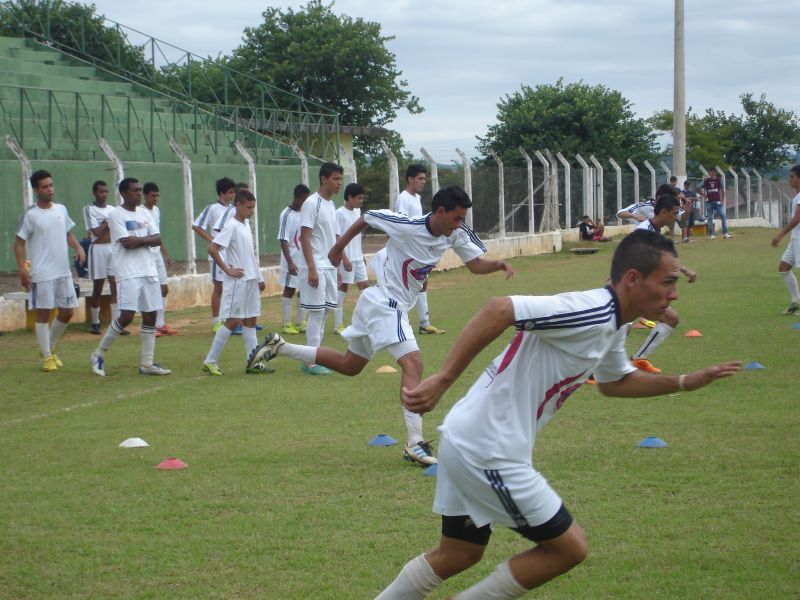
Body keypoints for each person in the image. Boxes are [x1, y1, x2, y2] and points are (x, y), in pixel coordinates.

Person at [373, 230, 742, 600]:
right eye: (667, 282)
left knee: (459, 554)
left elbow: (616, 381)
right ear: (633, 279)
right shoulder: (591, 309)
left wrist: (683, 382)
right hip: (488, 449)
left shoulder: (614, 322)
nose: (674, 294)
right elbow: (499, 309)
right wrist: (444, 378)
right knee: (570, 548)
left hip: (463, 437)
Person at [248, 185, 515, 465]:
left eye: (462, 219)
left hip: (375, 302)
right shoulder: (407, 225)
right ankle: (415, 443)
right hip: (386, 304)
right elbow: (368, 217)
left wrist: (496, 264)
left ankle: (281, 347)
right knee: (414, 365)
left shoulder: (455, 233)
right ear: (440, 212)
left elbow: (474, 264)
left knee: (350, 365)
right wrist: (339, 247)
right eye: (457, 218)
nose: (460, 224)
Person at [89, 178, 171, 377]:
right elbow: (126, 242)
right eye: (135, 191)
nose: (139, 193)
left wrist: (141, 240)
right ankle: (98, 354)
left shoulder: (145, 213)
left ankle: (147, 363)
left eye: (140, 190)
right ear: (124, 193)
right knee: (126, 316)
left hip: (148, 270)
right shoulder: (115, 215)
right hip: (128, 272)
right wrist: (146, 240)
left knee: (151, 315)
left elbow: (158, 239)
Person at [14, 169, 86, 372]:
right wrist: (22, 270)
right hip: (42, 273)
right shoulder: (30, 214)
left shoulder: (61, 209)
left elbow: (68, 233)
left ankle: (50, 347)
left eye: (51, 185)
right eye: (45, 186)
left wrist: (78, 247)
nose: (50, 189)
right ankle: (47, 356)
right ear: (36, 190)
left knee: (67, 311)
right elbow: (18, 244)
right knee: (44, 313)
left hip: (63, 271)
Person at [202, 189, 270, 375]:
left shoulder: (246, 225)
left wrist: (259, 278)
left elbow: (249, 254)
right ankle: (210, 360)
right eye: (249, 207)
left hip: (250, 280)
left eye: (253, 207)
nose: (251, 211)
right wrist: (227, 270)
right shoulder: (231, 225)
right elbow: (213, 248)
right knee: (233, 320)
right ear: (238, 205)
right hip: (238, 281)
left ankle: (253, 361)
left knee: (250, 320)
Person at [629, 194, 697, 373]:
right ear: (664, 212)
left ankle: (638, 358)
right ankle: (590, 369)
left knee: (670, 319)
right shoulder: (644, 230)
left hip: (640, 288)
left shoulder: (654, 230)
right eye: (675, 213)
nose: (676, 217)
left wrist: (683, 270)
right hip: (630, 287)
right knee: (614, 328)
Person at [294, 162, 344, 375]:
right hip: (314, 267)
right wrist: (312, 268)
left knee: (323, 313)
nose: (339, 183)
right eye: (336, 179)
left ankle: (314, 357)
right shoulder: (311, 203)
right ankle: (310, 361)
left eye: (341, 179)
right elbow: (304, 236)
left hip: (328, 267)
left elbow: (332, 239)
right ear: (324, 179)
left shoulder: (331, 206)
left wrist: (337, 267)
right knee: (315, 314)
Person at [396, 164, 445, 335]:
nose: (423, 182)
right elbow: (402, 225)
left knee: (423, 282)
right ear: (410, 179)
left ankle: (424, 323)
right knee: (407, 287)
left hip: (418, 249)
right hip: (407, 251)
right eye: (420, 178)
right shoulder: (403, 198)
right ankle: (403, 322)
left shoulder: (416, 198)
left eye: (425, 178)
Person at [191, 176, 236, 331]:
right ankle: (216, 321)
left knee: (231, 287)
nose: (233, 195)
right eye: (230, 192)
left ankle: (230, 318)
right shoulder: (212, 208)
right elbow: (196, 226)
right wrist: (213, 240)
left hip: (231, 253)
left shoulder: (233, 209)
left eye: (233, 192)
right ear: (222, 193)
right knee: (220, 287)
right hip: (217, 254)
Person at [83, 180, 120, 335]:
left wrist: (106, 223)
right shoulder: (89, 209)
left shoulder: (113, 209)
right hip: (97, 249)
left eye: (106, 192)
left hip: (112, 248)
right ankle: (95, 322)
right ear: (95, 193)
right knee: (98, 287)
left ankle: (116, 323)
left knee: (115, 285)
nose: (104, 194)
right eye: (101, 192)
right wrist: (106, 223)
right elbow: (96, 233)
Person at [142, 182, 178, 337]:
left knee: (164, 288)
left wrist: (166, 255)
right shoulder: (140, 212)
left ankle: (160, 323)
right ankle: (150, 326)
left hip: (157, 255)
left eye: (157, 196)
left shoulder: (156, 211)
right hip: (146, 256)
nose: (155, 199)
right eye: (152, 196)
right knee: (150, 291)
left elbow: (157, 235)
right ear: (145, 196)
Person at [333, 182, 370, 334]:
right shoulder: (339, 213)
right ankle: (337, 324)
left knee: (365, 287)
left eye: (362, 198)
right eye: (358, 198)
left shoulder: (358, 211)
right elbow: (337, 237)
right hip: (346, 258)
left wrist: (361, 255)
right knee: (343, 288)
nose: (361, 201)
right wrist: (344, 258)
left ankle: (366, 321)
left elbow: (357, 236)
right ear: (349, 197)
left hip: (358, 258)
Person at [277, 184, 310, 334]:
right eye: (303, 200)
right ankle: (286, 323)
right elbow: (283, 240)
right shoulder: (286, 214)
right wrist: (290, 262)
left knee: (303, 290)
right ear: (296, 197)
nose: (304, 203)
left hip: (303, 260)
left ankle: (300, 322)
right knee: (289, 290)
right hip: (291, 260)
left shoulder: (305, 213)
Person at [771, 165, 800, 315]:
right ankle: (795, 302)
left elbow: (797, 218)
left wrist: (780, 235)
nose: (790, 179)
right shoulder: (797, 196)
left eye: (792, 176)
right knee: (784, 267)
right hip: (795, 238)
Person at [701, 169, 731, 239]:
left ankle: (725, 233)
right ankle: (711, 235)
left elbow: (723, 191)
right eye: (710, 172)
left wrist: (722, 200)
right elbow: (697, 187)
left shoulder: (719, 180)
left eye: (712, 172)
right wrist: (704, 195)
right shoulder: (706, 181)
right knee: (710, 218)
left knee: (723, 216)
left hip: (717, 201)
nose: (711, 173)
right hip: (709, 202)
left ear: (715, 173)